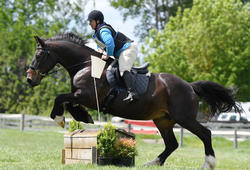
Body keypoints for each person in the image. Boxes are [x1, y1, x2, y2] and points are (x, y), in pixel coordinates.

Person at [88, 10, 138, 103]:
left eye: (91, 21)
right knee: (109, 70)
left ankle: (133, 92)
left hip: (128, 49)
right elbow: (101, 48)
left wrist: (107, 55)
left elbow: (110, 44)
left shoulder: (103, 30)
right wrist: (100, 53)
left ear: (98, 21)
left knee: (123, 68)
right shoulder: (95, 35)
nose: (89, 24)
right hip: (120, 53)